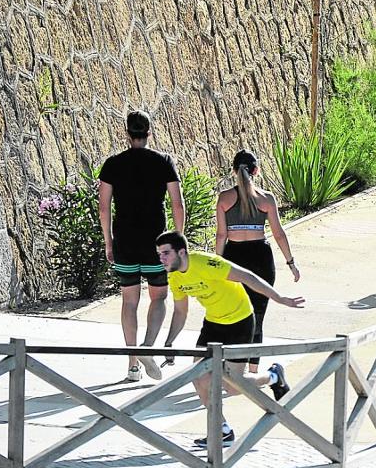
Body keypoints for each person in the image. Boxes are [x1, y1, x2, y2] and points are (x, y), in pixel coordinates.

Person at [157, 231, 304, 448]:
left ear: (181, 252)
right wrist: (169, 343)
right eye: (159, 254)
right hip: (213, 325)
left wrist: (280, 298)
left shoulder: (206, 263)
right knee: (199, 377)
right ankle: (222, 430)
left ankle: (273, 376)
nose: (162, 258)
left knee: (233, 387)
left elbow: (247, 276)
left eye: (166, 253)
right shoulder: (174, 276)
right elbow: (180, 312)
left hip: (240, 320)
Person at [98, 111, 185, 383]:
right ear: (149, 131)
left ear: (127, 133)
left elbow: (104, 208)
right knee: (158, 297)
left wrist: (108, 241)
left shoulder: (112, 164)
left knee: (129, 301)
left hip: (124, 239)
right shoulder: (163, 162)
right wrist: (178, 241)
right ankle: (148, 345)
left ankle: (133, 365)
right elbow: (177, 204)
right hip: (156, 243)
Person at [214, 150, 300, 373]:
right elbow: (279, 234)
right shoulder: (267, 198)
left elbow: (221, 235)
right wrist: (291, 263)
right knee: (258, 316)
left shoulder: (224, 198)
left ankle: (233, 367)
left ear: (234, 171)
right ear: (256, 171)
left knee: (234, 313)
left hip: (234, 257)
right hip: (261, 258)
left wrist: (216, 264)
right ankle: (252, 371)